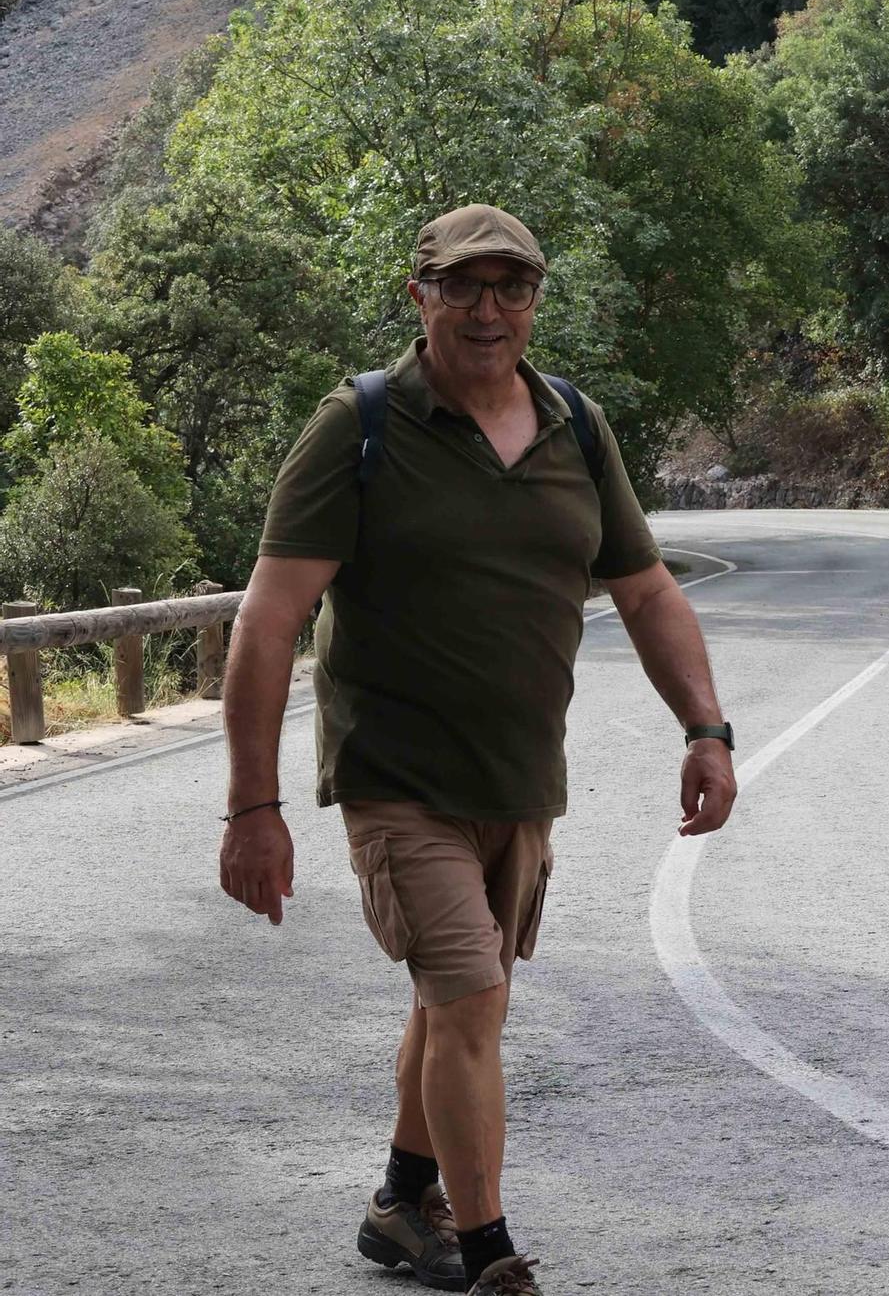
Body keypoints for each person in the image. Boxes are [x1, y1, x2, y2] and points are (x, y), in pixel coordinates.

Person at [217, 204, 737, 1293]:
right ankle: (491, 1252)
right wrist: (251, 808)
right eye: (463, 286)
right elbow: (268, 621)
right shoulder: (356, 425)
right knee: (468, 1000)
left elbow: (644, 591)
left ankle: (402, 1203)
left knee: (457, 997)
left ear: (537, 299)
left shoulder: (575, 427)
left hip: (518, 784)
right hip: (395, 780)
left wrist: (704, 727)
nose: (488, 308)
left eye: (510, 285)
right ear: (421, 296)